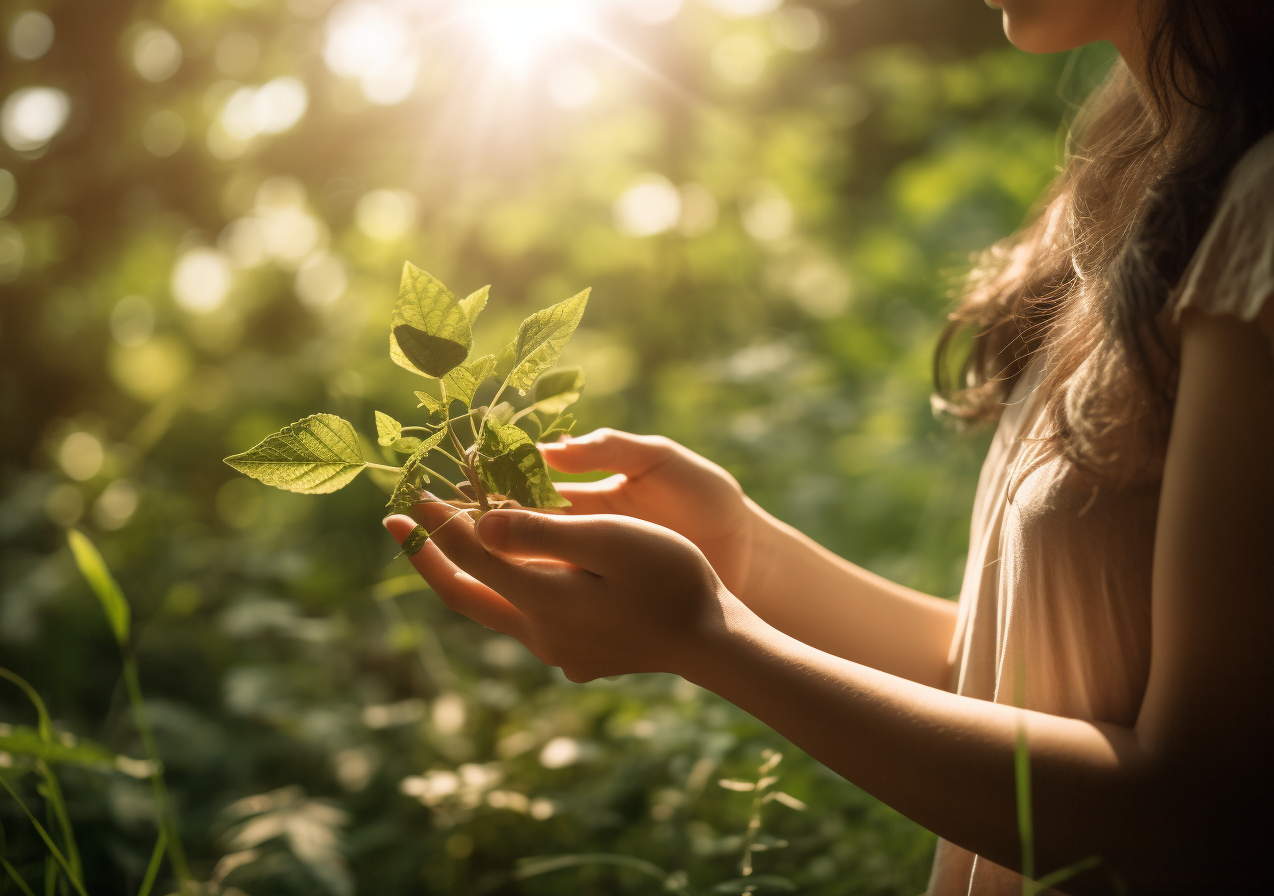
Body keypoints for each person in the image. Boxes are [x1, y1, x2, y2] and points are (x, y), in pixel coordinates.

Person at [385, 1, 1274, 891]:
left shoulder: (1257, 214)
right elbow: (1029, 671)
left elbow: (1203, 811)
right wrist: (743, 555)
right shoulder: (1141, 162)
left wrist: (714, 642)